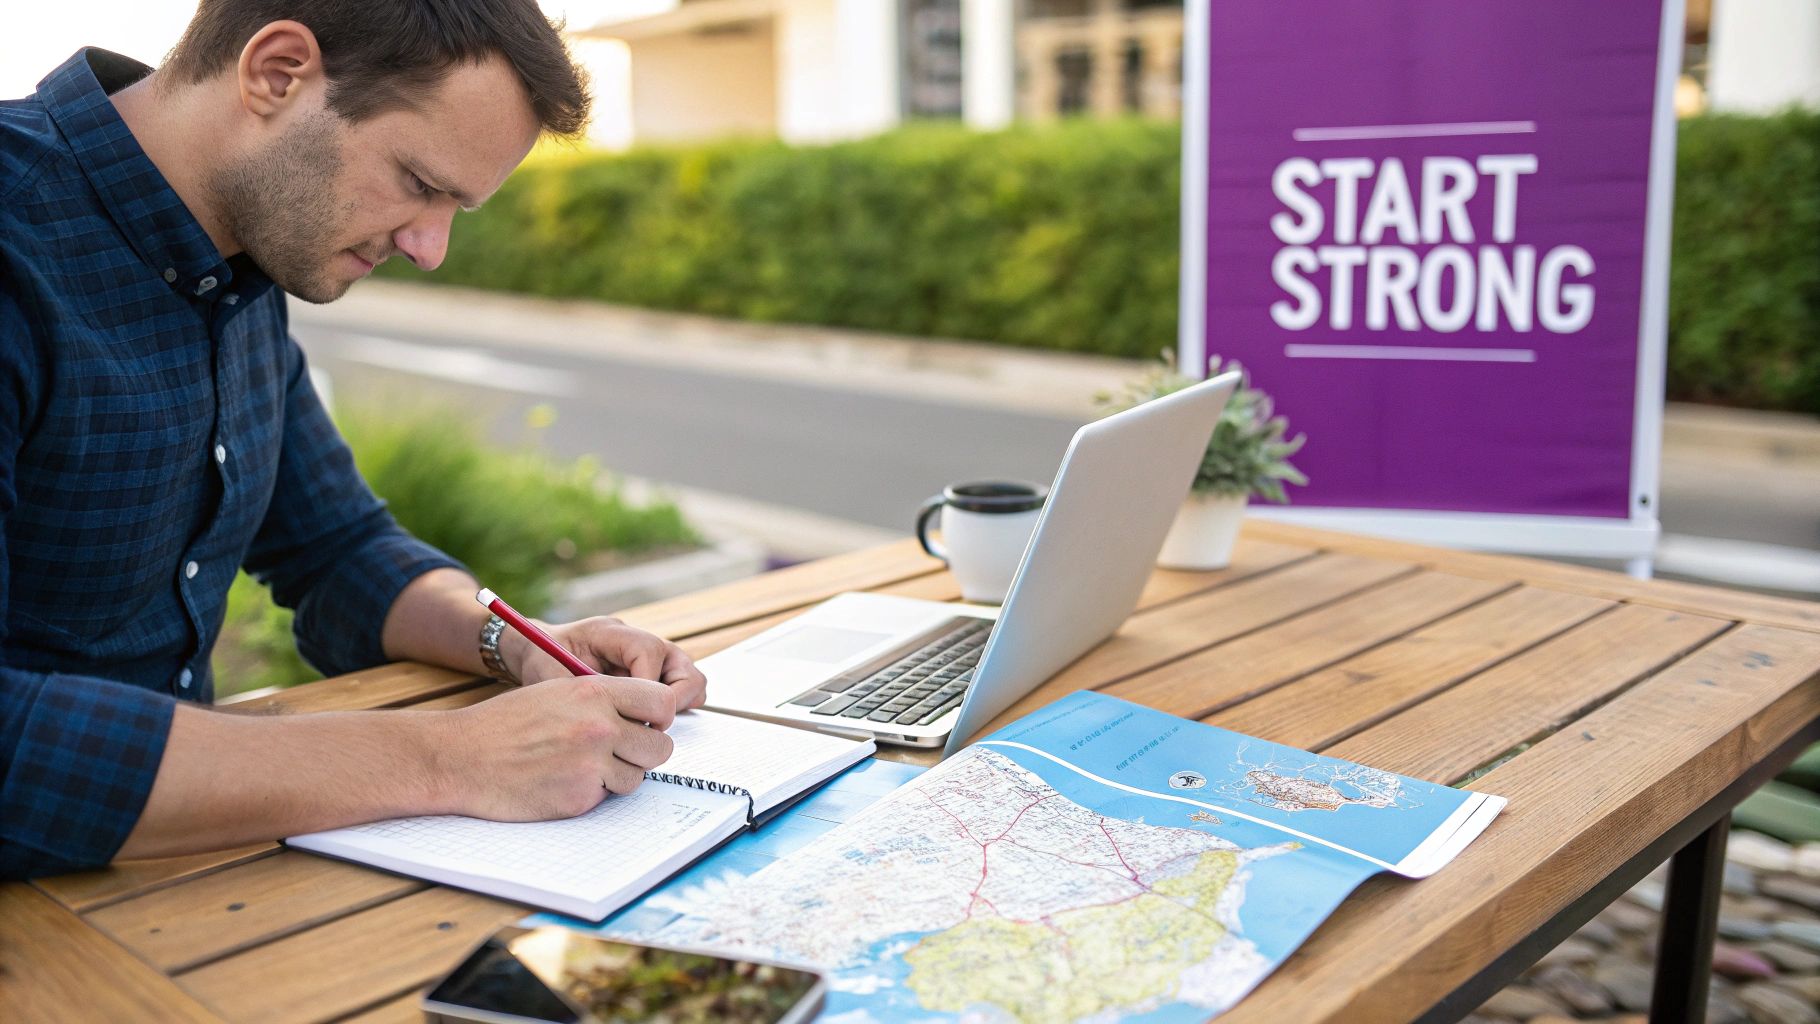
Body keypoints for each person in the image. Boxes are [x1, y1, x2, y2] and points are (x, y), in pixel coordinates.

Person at [0, 0, 707, 880]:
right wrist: (449, 759)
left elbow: (335, 548)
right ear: (277, 72)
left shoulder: (237, 263)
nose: (431, 247)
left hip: (166, 879)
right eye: (421, 182)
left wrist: (521, 645)